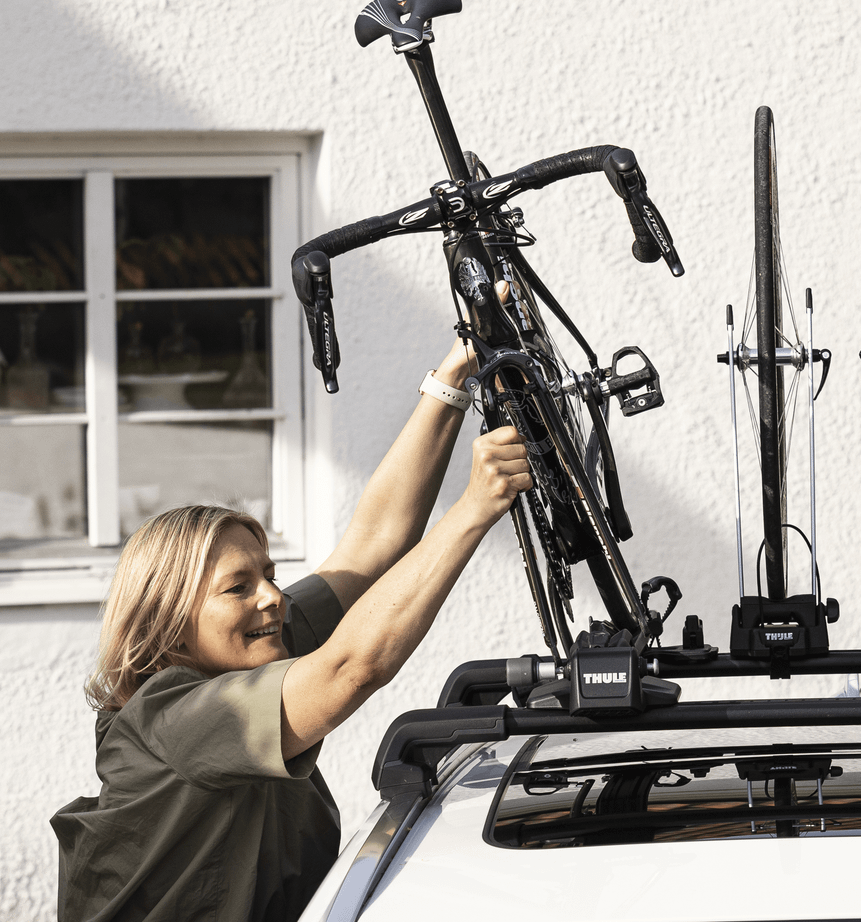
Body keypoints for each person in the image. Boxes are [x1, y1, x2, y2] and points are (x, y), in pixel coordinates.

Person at [50, 339, 531, 922]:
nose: (272, 598)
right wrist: (475, 508)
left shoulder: (252, 651)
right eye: (239, 587)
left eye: (270, 576)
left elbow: (373, 547)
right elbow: (352, 669)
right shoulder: (174, 717)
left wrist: (454, 374)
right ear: (168, 625)